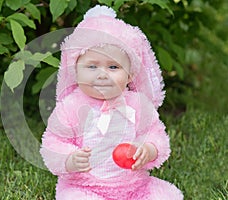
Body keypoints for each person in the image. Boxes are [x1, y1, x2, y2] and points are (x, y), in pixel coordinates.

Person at [40, 5, 184, 200]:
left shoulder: (137, 104)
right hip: (85, 187)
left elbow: (155, 132)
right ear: (75, 70)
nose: (102, 75)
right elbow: (53, 142)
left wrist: (148, 150)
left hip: (134, 185)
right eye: (92, 66)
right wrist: (69, 159)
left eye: (113, 67)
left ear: (130, 74)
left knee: (168, 196)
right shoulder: (71, 106)